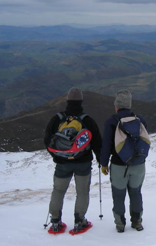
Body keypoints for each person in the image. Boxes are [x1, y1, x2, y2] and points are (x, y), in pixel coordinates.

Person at [44, 87, 102, 233]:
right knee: (82, 191)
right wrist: (101, 160)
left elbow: (47, 140)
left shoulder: (57, 119)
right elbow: (97, 143)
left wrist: (57, 156)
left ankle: (55, 222)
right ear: (81, 101)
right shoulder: (87, 120)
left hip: (62, 163)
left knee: (58, 190)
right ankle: (80, 221)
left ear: (67, 100)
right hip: (83, 162)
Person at [100, 89, 148, 233]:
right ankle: (137, 221)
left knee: (119, 195)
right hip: (138, 164)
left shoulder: (111, 121)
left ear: (117, 106)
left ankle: (120, 224)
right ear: (129, 105)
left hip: (119, 165)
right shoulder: (139, 119)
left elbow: (106, 145)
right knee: (136, 193)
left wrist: (103, 163)